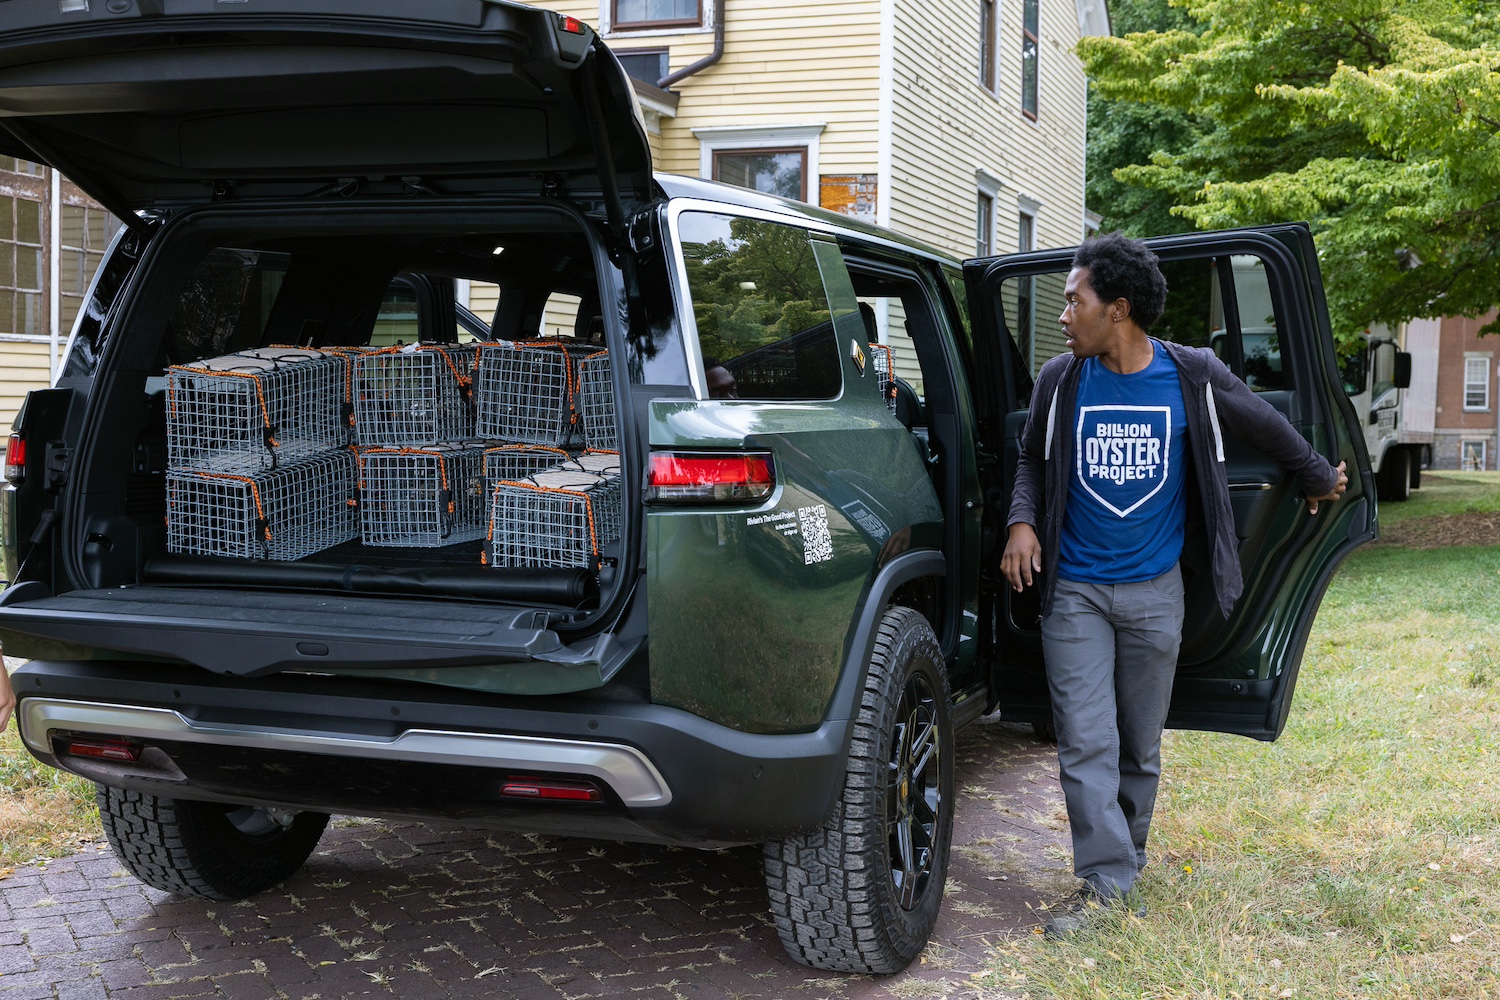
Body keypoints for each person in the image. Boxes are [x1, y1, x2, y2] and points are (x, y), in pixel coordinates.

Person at [1001, 233, 1347, 938]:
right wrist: (1021, 523)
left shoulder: (1191, 374)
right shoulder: (1059, 381)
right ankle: (1105, 884)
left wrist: (1317, 475)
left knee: (1139, 741)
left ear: (1118, 310)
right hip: (1076, 594)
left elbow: (1266, 423)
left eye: (1076, 301)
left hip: (1158, 591)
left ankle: (1127, 855)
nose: (1065, 314)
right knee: (1084, 738)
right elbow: (1031, 462)